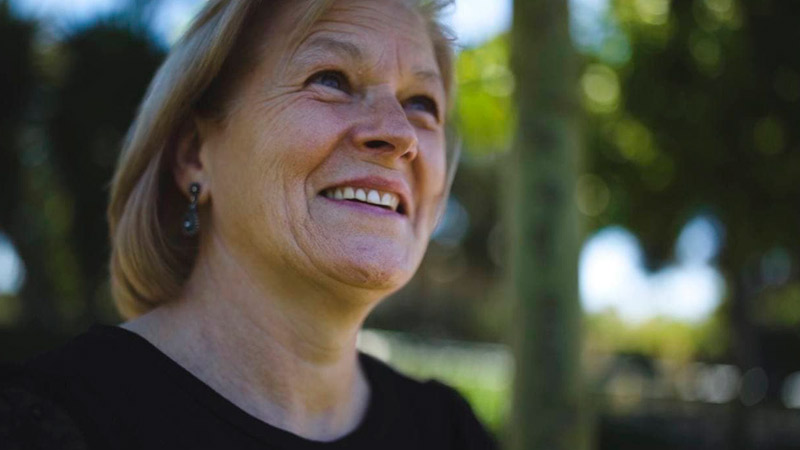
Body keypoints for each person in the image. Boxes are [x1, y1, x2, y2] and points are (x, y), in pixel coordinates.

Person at [1, 0, 497, 448]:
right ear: (195, 155)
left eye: (421, 104)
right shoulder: (46, 421)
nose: (399, 134)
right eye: (331, 79)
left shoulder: (450, 432)